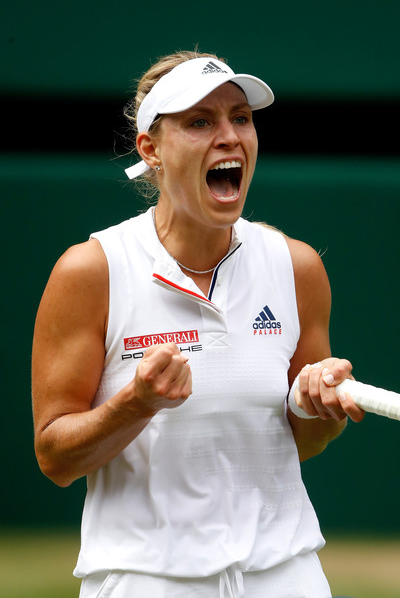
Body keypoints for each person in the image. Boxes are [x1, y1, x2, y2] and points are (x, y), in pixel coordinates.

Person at [32, 50, 365, 598]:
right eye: (200, 122)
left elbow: (303, 441)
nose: (231, 136)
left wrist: (317, 408)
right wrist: (134, 404)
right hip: (147, 580)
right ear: (151, 149)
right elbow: (54, 457)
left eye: (241, 117)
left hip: (286, 574)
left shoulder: (297, 266)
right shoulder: (91, 271)